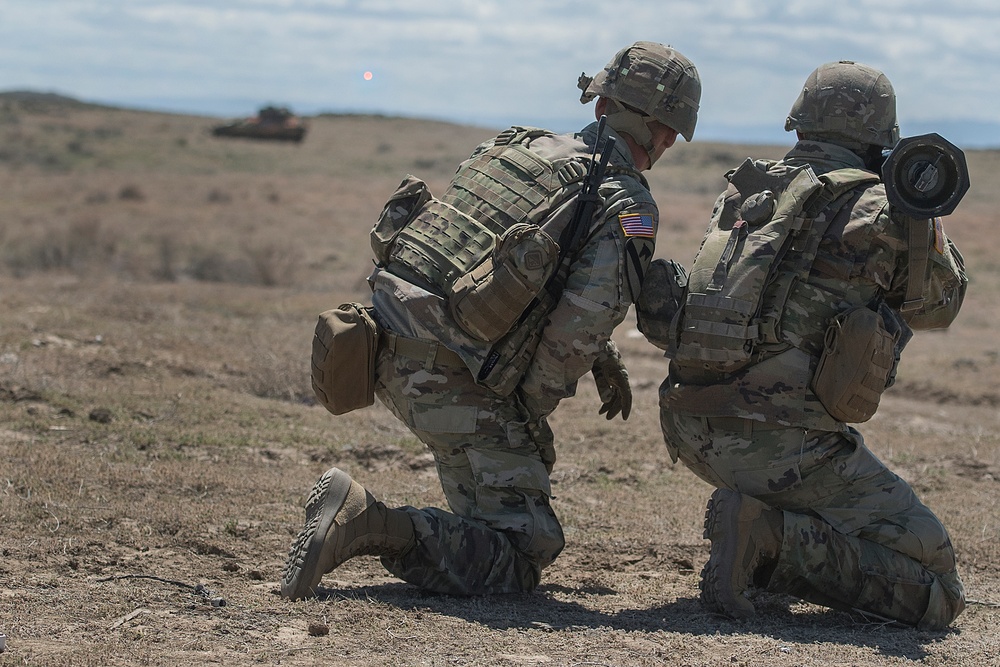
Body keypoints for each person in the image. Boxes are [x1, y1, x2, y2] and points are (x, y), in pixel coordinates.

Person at [281, 41, 702, 599]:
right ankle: (363, 520)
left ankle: (381, 522)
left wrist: (604, 356)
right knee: (519, 555)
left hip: (378, 349)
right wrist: (527, 410)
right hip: (455, 381)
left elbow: (511, 266)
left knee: (481, 524)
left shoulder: (512, 147)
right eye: (670, 132)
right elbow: (581, 323)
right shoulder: (626, 202)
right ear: (663, 130)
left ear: (600, 104)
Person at [638, 60, 968, 630]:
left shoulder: (748, 191)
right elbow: (939, 306)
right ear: (881, 135)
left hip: (693, 429)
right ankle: (769, 540)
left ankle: (765, 528)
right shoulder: (882, 208)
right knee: (936, 582)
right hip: (782, 446)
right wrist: (922, 219)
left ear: (800, 123)